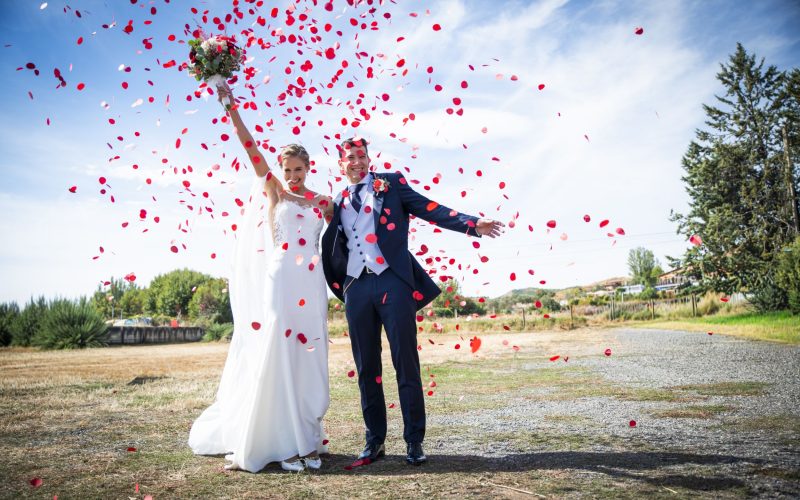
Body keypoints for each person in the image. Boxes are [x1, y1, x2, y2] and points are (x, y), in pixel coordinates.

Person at [321, 137, 504, 465]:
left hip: (393, 281)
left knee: (406, 364)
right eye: (350, 158)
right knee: (367, 369)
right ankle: (374, 441)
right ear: (341, 164)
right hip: (356, 288)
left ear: (368, 158)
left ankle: (413, 441)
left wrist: (472, 224)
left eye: (361, 156)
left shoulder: (390, 184)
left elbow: (429, 208)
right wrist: (343, 286)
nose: (357, 162)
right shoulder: (336, 201)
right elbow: (332, 245)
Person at [188, 84, 333, 473]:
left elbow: (346, 239)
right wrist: (230, 106)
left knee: (310, 355)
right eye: (286, 170)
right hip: (283, 276)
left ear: (308, 168)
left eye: (298, 169)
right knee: (279, 348)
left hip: (312, 280)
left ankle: (307, 438)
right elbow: (249, 145)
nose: (291, 176)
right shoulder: (274, 192)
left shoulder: (324, 202)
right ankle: (281, 444)